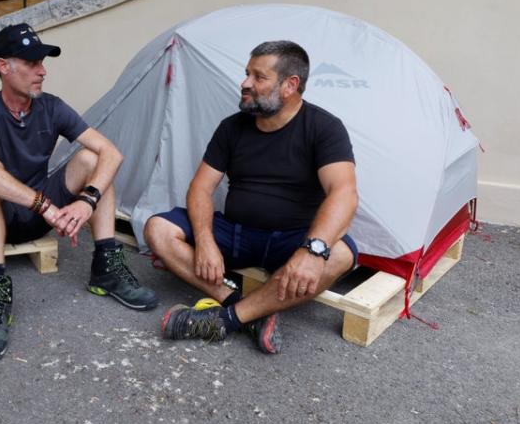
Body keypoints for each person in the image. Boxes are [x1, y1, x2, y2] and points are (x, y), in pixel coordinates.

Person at [144, 40, 359, 354]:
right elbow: (201, 188)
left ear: (290, 85)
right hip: (236, 234)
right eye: (247, 74)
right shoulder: (232, 128)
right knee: (157, 229)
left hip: (292, 240)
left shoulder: (324, 128)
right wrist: (204, 241)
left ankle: (227, 319)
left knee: (340, 254)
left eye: (258, 77)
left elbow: (345, 193)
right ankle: (243, 308)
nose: (245, 84)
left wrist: (312, 252)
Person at [0, 23, 158, 361]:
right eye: (32, 63)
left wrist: (86, 201)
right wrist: (45, 206)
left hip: (38, 215)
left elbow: (112, 153)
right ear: (3, 67)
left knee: (93, 159)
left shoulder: (53, 107)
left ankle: (106, 267)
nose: (42, 71)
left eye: (43, 62)